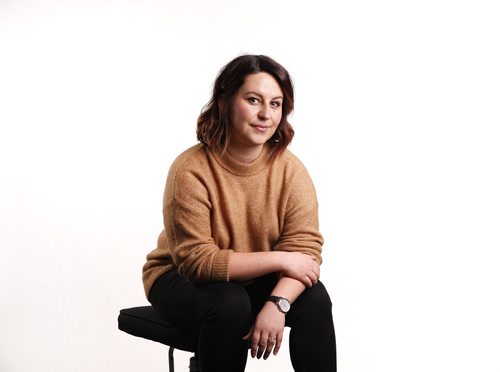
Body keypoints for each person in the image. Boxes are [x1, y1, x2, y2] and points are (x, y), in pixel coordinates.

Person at [142, 54, 336, 372]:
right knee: (230, 303)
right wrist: (279, 259)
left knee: (314, 299)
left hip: (250, 278)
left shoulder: (291, 170)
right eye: (253, 100)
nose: (265, 114)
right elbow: (197, 261)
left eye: (275, 104)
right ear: (225, 101)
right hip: (177, 276)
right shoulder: (190, 169)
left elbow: (305, 254)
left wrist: (278, 303)